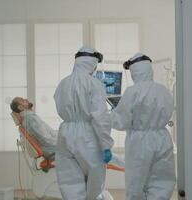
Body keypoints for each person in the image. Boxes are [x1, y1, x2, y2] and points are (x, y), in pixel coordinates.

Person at [111, 53, 176, 200]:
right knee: (162, 181)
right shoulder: (164, 90)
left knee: (136, 182)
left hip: (139, 141)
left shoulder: (132, 92)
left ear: (134, 71)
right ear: (149, 69)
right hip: (162, 138)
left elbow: (120, 122)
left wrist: (111, 115)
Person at [53, 46, 114, 200]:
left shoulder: (62, 84)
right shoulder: (94, 84)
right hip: (88, 135)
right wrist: (106, 145)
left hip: (65, 134)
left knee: (69, 181)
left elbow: (60, 107)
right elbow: (100, 118)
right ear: (92, 63)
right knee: (94, 180)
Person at [10, 96, 125, 168]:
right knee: (97, 152)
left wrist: (66, 133)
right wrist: (67, 140)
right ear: (20, 107)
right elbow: (46, 139)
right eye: (23, 100)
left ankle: (128, 163)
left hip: (57, 147)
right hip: (55, 150)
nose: (26, 100)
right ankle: (130, 165)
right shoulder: (30, 119)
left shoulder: (30, 118)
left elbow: (47, 135)